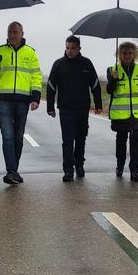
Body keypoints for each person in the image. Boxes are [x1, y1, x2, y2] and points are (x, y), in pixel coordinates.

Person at [0, 21, 42, 185]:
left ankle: (13, 171)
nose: (12, 34)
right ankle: (11, 171)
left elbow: (36, 76)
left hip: (23, 100)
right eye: (10, 31)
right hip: (3, 99)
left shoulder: (30, 53)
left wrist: (36, 97)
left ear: (22, 33)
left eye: (15, 32)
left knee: (18, 137)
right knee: (8, 136)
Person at [47, 35, 102, 182]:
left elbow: (95, 84)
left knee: (81, 138)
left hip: (82, 108)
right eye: (67, 48)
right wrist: (50, 106)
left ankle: (79, 165)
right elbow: (51, 86)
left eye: (72, 48)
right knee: (67, 139)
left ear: (79, 48)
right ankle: (68, 170)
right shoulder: (58, 64)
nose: (69, 51)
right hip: (65, 108)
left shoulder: (86, 64)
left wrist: (98, 104)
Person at [105, 41, 138, 182]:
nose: (127, 56)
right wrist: (113, 80)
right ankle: (120, 166)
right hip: (120, 114)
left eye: (130, 53)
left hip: (137, 113)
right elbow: (109, 91)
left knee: (136, 142)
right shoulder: (112, 69)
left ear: (134, 54)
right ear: (120, 55)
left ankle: (134, 170)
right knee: (121, 142)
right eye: (124, 53)